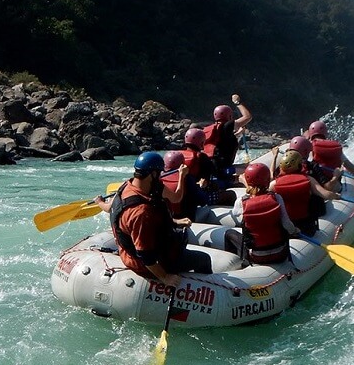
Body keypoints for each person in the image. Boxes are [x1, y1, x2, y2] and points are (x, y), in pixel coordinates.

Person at [109, 152, 211, 287]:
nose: (161, 177)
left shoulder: (127, 186)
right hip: (143, 264)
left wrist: (174, 221)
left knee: (181, 236)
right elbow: (146, 256)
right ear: (153, 174)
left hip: (133, 249)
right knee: (204, 259)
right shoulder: (141, 213)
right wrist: (165, 277)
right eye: (159, 173)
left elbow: (175, 198)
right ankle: (206, 290)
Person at [225, 163, 298, 265]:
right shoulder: (277, 198)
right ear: (267, 180)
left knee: (229, 233)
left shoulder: (241, 202)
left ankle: (238, 263)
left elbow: (235, 214)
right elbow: (287, 225)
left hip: (256, 256)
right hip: (280, 254)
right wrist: (295, 230)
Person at [269, 149, 339, 236]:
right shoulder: (308, 179)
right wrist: (337, 196)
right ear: (299, 165)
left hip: (285, 228)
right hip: (306, 226)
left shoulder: (274, 184)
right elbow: (326, 194)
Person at [203, 93, 252, 184]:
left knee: (245, 166)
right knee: (250, 168)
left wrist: (238, 134)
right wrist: (237, 102)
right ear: (229, 116)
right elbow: (247, 117)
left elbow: (223, 143)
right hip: (223, 170)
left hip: (215, 168)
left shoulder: (215, 128)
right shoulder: (227, 125)